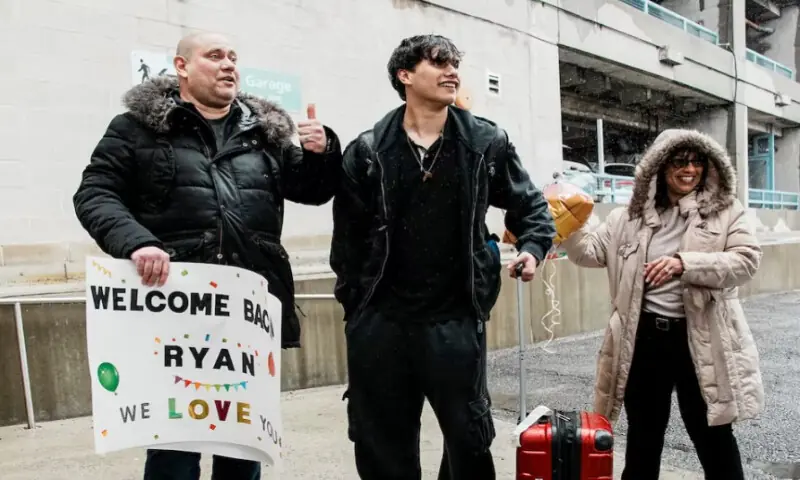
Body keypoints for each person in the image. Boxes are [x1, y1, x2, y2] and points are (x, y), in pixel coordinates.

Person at [73, 32, 343, 480]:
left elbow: (312, 191)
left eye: (234, 57)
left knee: (243, 444)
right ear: (181, 67)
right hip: (174, 313)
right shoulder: (137, 128)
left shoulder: (266, 133)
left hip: (246, 316)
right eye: (214, 56)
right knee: (175, 448)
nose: (228, 65)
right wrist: (137, 242)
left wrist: (322, 153)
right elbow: (95, 193)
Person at [329, 34, 556, 480]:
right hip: (381, 322)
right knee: (380, 440)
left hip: (453, 318)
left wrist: (532, 249)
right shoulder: (369, 149)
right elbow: (348, 237)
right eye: (438, 63)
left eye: (455, 63)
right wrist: (356, 305)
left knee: (469, 439)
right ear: (405, 75)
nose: (452, 71)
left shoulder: (485, 142)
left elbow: (531, 207)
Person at [561, 129, 764, 480]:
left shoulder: (726, 211)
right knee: (643, 437)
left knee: (712, 435)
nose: (690, 170)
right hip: (645, 339)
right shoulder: (627, 218)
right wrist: (571, 220)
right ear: (658, 166)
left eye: (697, 161)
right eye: (679, 162)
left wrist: (685, 264)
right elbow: (588, 254)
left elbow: (746, 261)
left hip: (699, 339)